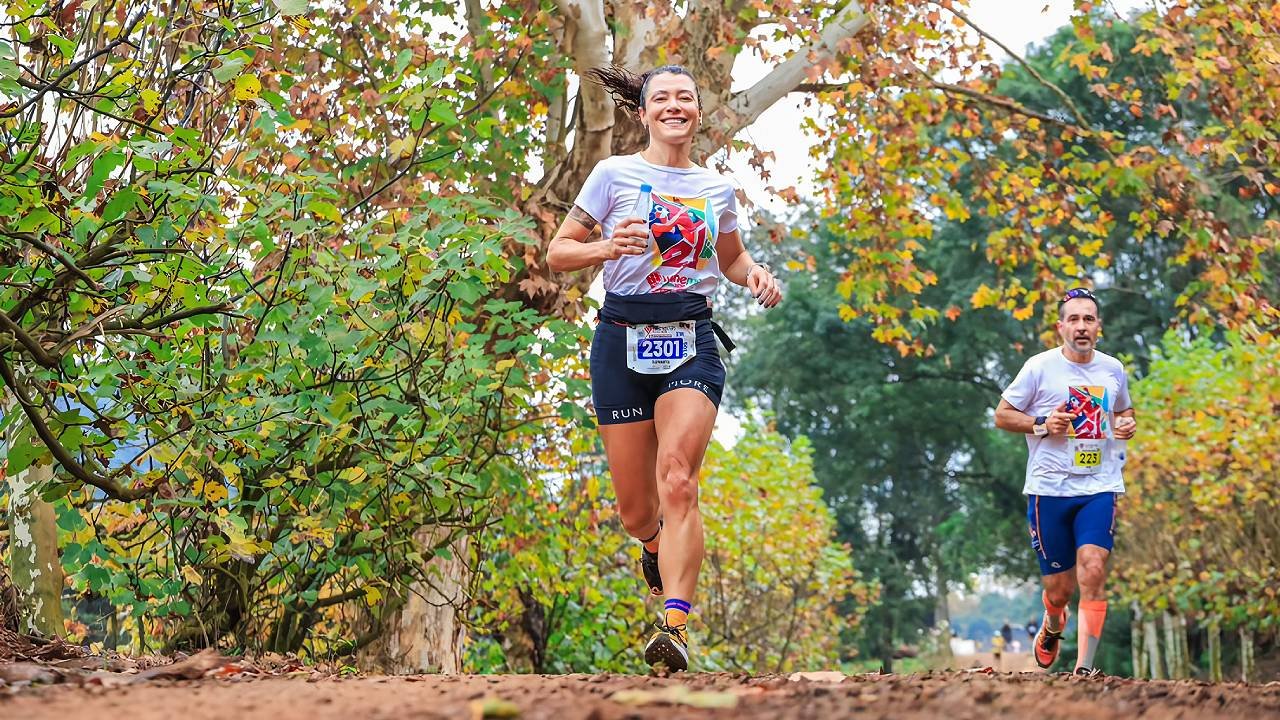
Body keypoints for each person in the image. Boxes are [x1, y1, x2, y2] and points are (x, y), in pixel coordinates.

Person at [546, 65, 782, 671]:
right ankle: (653, 545)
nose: (674, 106)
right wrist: (606, 247)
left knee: (677, 477)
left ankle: (674, 627)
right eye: (662, 99)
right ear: (643, 112)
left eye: (685, 98)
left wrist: (755, 274)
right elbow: (558, 252)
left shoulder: (716, 189)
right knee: (635, 510)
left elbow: (732, 259)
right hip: (620, 337)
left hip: (690, 336)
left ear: (698, 111)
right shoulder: (613, 174)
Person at [994, 288, 1136, 677]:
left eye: (1088, 319)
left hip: (1099, 486)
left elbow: (1123, 410)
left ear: (1099, 326)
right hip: (1049, 489)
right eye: (1074, 319)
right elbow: (1002, 415)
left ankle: (1084, 669)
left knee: (1093, 568)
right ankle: (1053, 622)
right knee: (1060, 590)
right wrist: (1042, 424)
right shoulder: (1039, 367)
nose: (1081, 326)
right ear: (1061, 327)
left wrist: (1125, 424)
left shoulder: (1113, 369)